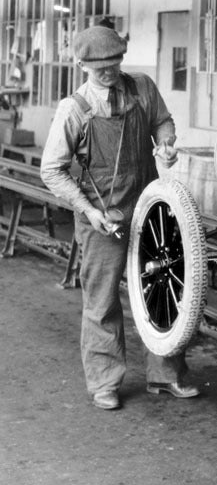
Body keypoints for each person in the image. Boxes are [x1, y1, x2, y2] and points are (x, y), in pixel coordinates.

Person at [40, 25, 200, 410]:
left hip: (148, 206)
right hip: (102, 215)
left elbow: (163, 120)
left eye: (115, 64)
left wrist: (165, 144)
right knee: (102, 299)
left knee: (162, 291)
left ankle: (166, 374)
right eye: (100, 69)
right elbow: (51, 170)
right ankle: (104, 381)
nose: (110, 73)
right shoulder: (73, 110)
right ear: (81, 65)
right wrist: (89, 211)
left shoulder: (142, 87)